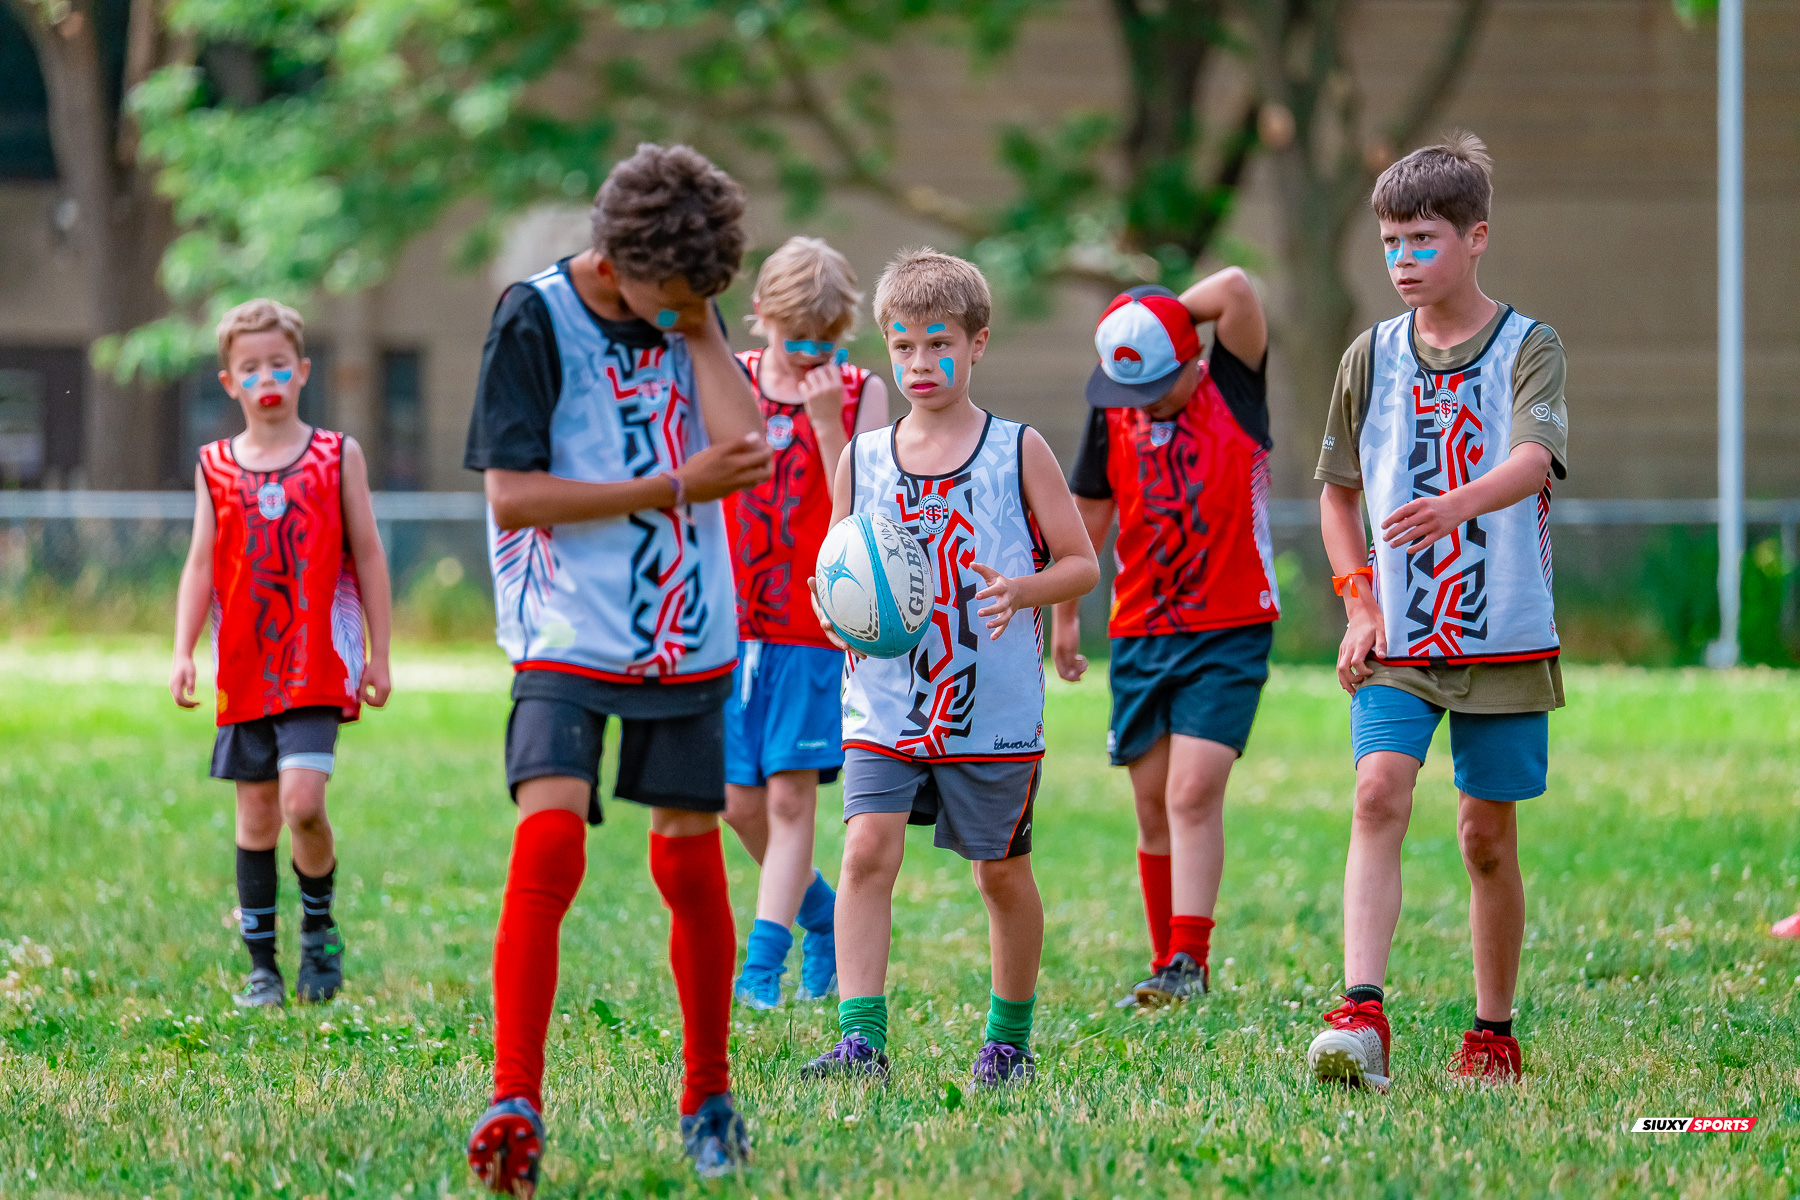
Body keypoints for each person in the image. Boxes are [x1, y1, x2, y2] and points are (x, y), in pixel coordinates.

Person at [460, 143, 773, 1191]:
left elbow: (747, 449)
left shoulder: (684, 307)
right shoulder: (533, 319)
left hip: (688, 627)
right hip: (566, 624)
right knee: (548, 831)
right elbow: (513, 495)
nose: (676, 314)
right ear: (614, 257)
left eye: (698, 300)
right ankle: (514, 1098)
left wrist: (699, 330)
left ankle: (710, 1096)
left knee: (689, 854)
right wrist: (673, 487)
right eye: (667, 298)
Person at [799, 249, 1099, 1088]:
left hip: (991, 706)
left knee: (998, 872)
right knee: (866, 853)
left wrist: (1026, 588)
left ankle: (1008, 1039)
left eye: (938, 345)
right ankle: (861, 1041)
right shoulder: (863, 458)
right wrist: (834, 612)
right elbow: (838, 564)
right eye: (902, 348)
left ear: (978, 345)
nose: (919, 364)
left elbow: (1082, 564)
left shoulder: (1018, 450)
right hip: (886, 704)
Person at [1306, 132, 1569, 1088]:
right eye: (1390, 242)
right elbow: (1337, 493)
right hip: (1398, 635)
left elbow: (1535, 459)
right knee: (1377, 792)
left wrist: (1455, 503)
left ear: (1476, 237)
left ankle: (1492, 1031)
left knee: (1484, 839)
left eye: (1422, 240)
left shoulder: (1529, 346)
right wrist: (1357, 600)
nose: (1403, 260)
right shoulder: (1368, 356)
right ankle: (1360, 1014)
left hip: (1502, 632)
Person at [1050, 268, 1277, 1009]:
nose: (1140, 403)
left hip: (1229, 627)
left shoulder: (1233, 386)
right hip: (1143, 627)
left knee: (1192, 790)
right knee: (1152, 804)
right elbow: (1090, 515)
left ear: (1190, 360)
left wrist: (1151, 319)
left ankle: (1190, 958)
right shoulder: (1113, 405)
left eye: (1155, 382)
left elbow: (1237, 288)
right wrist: (1066, 613)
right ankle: (1165, 964)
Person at [170, 298, 393, 1011]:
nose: (265, 377)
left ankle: (320, 932)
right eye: (249, 367)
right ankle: (262, 968)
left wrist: (379, 654)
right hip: (243, 664)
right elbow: (202, 565)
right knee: (258, 815)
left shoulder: (336, 455)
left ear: (301, 372)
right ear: (229, 381)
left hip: (316, 662)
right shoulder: (215, 465)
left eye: (277, 364)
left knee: (302, 804)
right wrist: (182, 651)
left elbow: (370, 555)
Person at [720, 237, 890, 1009]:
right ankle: (819, 913)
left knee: (791, 802)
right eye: (796, 342)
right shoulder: (730, 382)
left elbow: (866, 525)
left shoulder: (862, 395)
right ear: (761, 320)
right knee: (737, 805)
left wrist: (829, 428)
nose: (809, 357)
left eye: (825, 342)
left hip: (812, 631)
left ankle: (761, 966)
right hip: (729, 627)